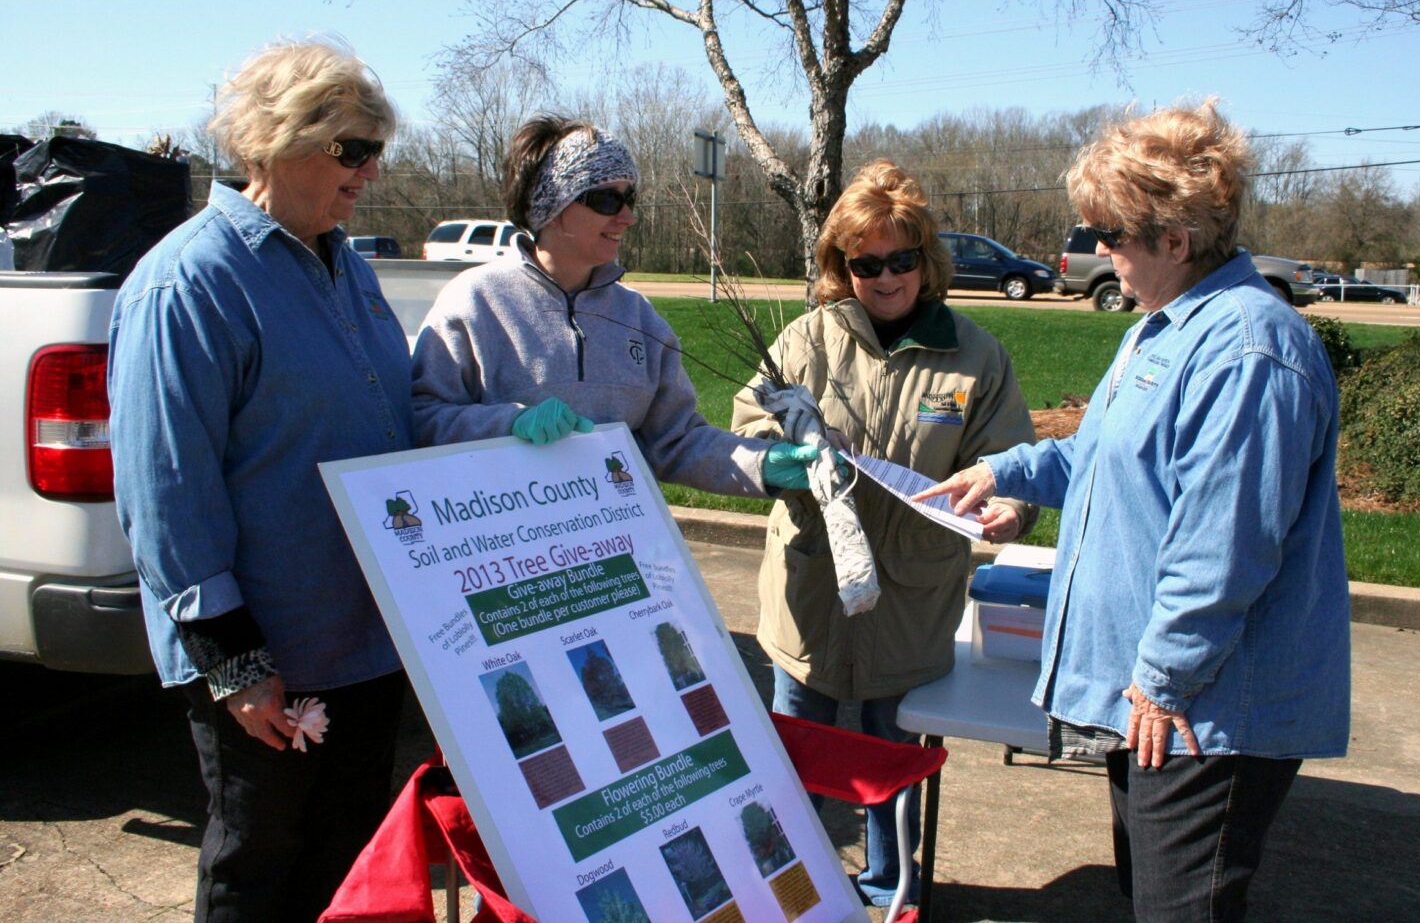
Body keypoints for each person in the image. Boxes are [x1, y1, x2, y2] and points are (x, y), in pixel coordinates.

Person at [915, 102, 1351, 920]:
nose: (1099, 253)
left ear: (1175, 242)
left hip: (1202, 714)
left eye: (1111, 236)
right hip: (1156, 700)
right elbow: (1104, 458)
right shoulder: (1162, 328)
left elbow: (1224, 549)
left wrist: (1161, 683)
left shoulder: (1248, 351)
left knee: (1183, 909)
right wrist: (1003, 469)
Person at [108, 39, 412, 921]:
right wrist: (235, 664)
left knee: (349, 868)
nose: (370, 172)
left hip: (366, 642)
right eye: (353, 150)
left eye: (376, 152)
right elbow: (167, 494)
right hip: (271, 658)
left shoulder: (346, 266)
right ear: (280, 140)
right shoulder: (189, 282)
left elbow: (390, 417)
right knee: (261, 871)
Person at [730, 159, 1038, 907]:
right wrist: (787, 458)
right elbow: (745, 430)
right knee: (795, 758)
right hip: (809, 594)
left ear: (926, 260)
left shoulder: (975, 355)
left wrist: (1009, 506)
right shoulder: (806, 340)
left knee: (890, 759)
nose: (886, 277)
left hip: (911, 602)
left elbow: (1009, 463)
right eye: (865, 264)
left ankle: (886, 888)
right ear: (842, 267)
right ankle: (792, 891)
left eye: (902, 259)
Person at [411, 114, 816, 495]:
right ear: (553, 208)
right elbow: (421, 418)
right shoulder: (476, 302)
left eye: (629, 198)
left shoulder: (638, 318)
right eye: (607, 200)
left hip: (617, 537)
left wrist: (761, 464)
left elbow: (675, 440)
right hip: (509, 537)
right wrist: (508, 424)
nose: (627, 217)